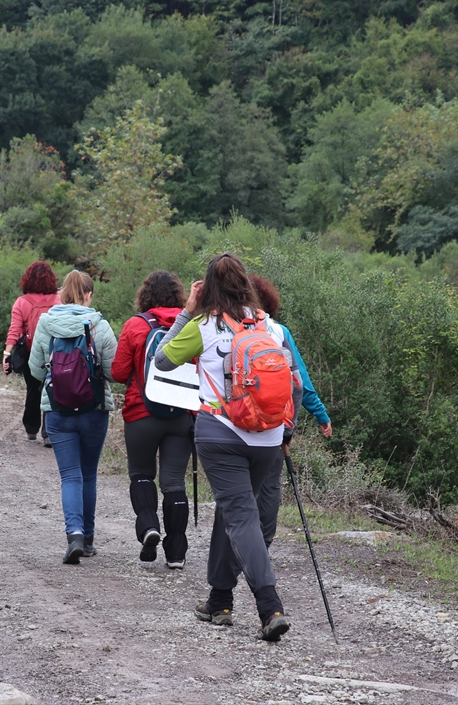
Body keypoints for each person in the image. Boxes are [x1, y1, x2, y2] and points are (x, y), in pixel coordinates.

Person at [153, 253, 298, 643]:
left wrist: (186, 312)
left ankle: (270, 607)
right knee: (233, 514)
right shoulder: (271, 328)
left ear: (208, 287)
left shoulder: (203, 325)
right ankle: (219, 599)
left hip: (220, 434)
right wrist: (286, 432)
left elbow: (162, 360)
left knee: (240, 516)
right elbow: (295, 385)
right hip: (267, 438)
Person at [28, 270, 117, 564]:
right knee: (89, 473)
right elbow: (113, 370)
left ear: (62, 294)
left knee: (70, 476)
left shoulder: (46, 323)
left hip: (57, 410)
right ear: (88, 295)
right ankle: (88, 540)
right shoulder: (99, 325)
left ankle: (74, 535)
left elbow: (36, 370)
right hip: (94, 410)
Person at [111, 270, 194, 569]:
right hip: (182, 415)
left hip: (141, 413)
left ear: (144, 294)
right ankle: (176, 553)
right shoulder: (192, 325)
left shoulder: (135, 325)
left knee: (142, 474)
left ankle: (148, 526)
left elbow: (120, 373)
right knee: (174, 483)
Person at [248, 275, 333, 441]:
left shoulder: (224, 329)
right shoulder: (279, 332)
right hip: (271, 423)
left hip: (233, 419)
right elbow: (298, 382)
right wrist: (319, 413)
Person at [3, 261, 59, 445]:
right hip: (56, 351)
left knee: (33, 389)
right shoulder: (59, 300)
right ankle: (48, 432)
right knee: (53, 388)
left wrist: (7, 353)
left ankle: (31, 427)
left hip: (30, 352)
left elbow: (14, 329)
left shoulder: (22, 302)